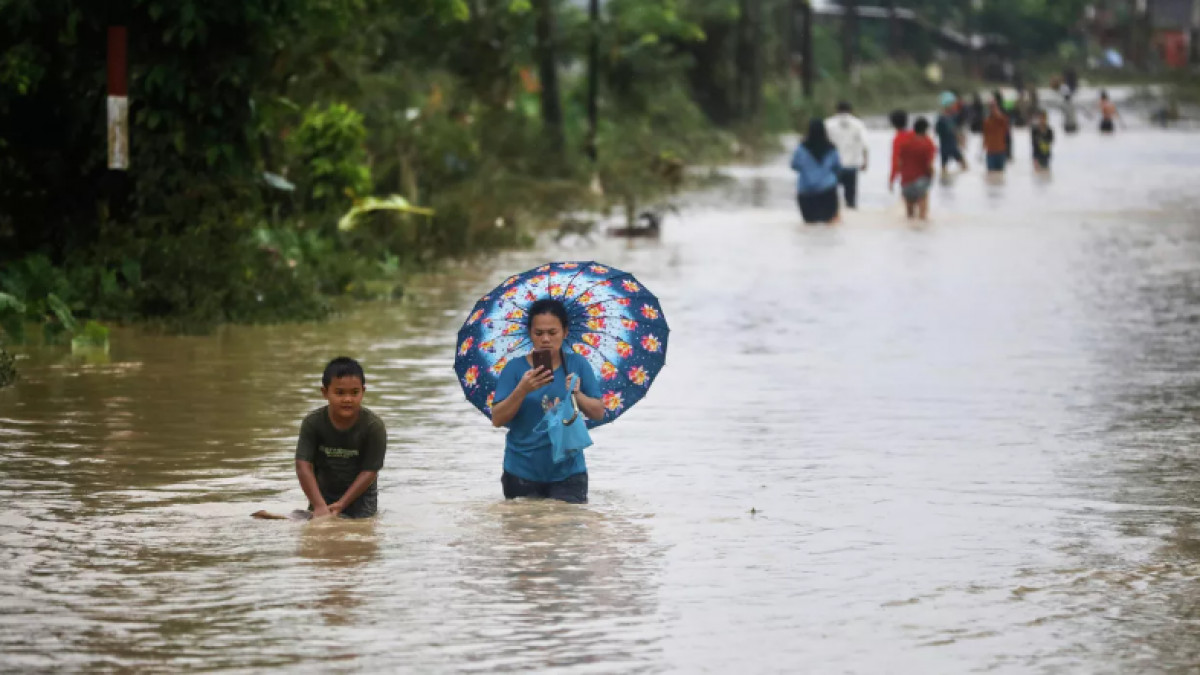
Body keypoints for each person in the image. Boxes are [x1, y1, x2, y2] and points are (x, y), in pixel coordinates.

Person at [490, 299, 605, 504]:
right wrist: (522, 390)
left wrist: (577, 394)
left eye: (552, 333)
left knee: (567, 531)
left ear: (565, 332)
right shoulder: (514, 369)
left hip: (569, 472)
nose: (545, 339)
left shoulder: (577, 364)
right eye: (538, 333)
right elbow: (497, 419)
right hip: (521, 470)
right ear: (530, 333)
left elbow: (598, 412)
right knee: (524, 532)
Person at [295, 357, 388, 519]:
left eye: (354, 393)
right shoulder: (313, 423)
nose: (347, 399)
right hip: (321, 497)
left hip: (362, 501)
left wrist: (341, 504)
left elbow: (370, 471)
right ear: (325, 393)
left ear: (363, 392)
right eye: (339, 393)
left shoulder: (374, 426)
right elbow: (303, 466)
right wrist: (318, 505)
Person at [790, 118, 842, 224]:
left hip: (806, 192)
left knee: (810, 225)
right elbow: (837, 167)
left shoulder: (801, 149)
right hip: (828, 191)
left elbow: (794, 166)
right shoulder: (831, 149)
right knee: (829, 225)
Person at [824, 101, 869, 209]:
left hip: (833, 166)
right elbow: (865, 144)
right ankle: (851, 216)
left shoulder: (828, 124)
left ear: (836, 110)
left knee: (831, 197)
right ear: (851, 110)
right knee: (851, 198)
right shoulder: (858, 124)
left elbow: (823, 143)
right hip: (851, 166)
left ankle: (835, 218)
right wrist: (865, 161)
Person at [896, 117, 936, 219]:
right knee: (923, 217)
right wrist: (932, 177)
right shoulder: (928, 144)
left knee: (909, 216)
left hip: (906, 182)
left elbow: (899, 163)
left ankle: (911, 233)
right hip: (921, 182)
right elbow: (930, 165)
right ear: (926, 130)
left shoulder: (905, 144)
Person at [935, 92, 968, 174]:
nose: (954, 106)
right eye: (952, 104)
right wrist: (961, 140)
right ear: (947, 105)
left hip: (945, 147)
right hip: (950, 147)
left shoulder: (945, 117)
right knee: (965, 167)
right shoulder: (944, 118)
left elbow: (937, 132)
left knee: (944, 170)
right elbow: (954, 130)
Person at [888, 109, 913, 193]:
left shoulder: (898, 139)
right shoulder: (914, 134)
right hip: (922, 175)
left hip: (907, 176)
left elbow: (895, 162)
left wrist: (892, 180)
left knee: (907, 203)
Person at [983, 100, 1010, 175]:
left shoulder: (1002, 119)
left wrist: (998, 115)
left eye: (994, 107)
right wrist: (984, 145)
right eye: (991, 107)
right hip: (990, 152)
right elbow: (985, 135)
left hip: (1000, 151)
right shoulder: (987, 121)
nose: (992, 109)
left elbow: (1006, 131)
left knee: (1000, 174)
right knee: (990, 174)